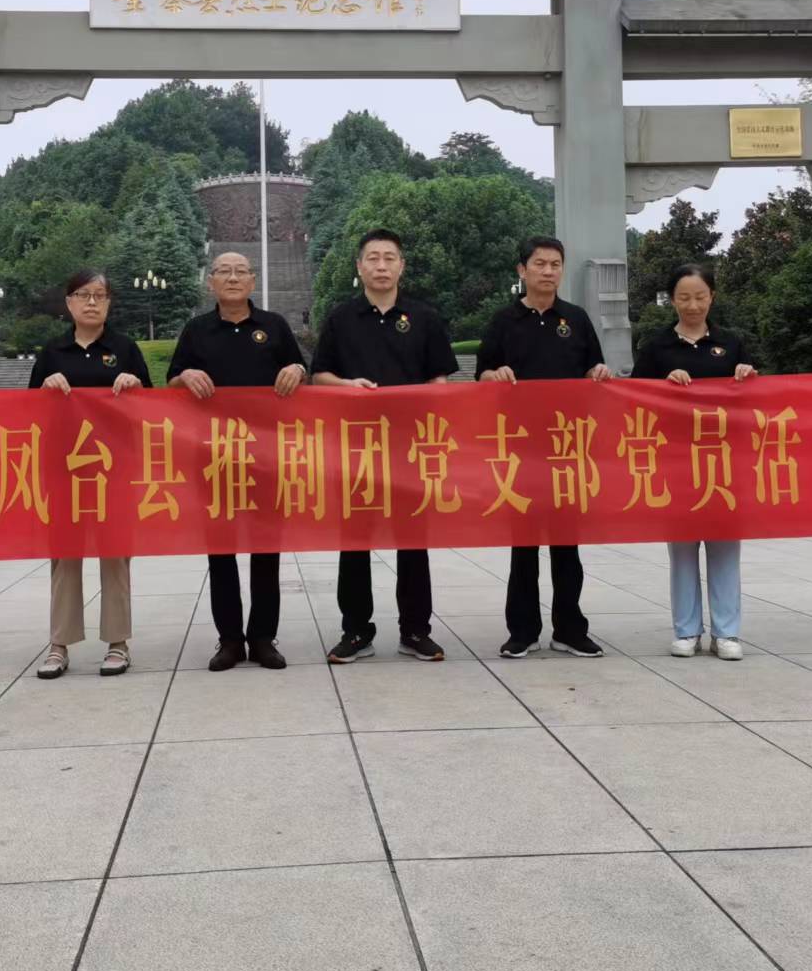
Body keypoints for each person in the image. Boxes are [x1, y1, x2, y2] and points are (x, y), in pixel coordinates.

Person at [311, 228, 458, 664]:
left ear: (401, 266)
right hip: (355, 447)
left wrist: (429, 404)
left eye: (389, 258)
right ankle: (356, 631)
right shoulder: (341, 318)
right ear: (359, 266)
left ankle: (415, 630)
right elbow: (319, 375)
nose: (381, 266)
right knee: (355, 542)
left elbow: (439, 379)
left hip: (410, 448)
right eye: (372, 258)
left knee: (413, 541)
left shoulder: (424, 317)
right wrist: (347, 386)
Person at [168, 252, 308, 672]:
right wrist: (184, 377)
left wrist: (297, 369)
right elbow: (170, 382)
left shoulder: (274, 326)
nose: (232, 278)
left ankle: (263, 638)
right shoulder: (197, 330)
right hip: (214, 457)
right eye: (224, 272)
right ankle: (229, 639)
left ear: (253, 280)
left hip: (266, 457)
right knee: (220, 552)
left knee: (266, 549)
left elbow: (303, 372)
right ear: (210, 281)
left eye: (240, 271)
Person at [475, 236, 613, 658]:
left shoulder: (576, 318)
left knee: (566, 544)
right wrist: (494, 375)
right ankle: (522, 631)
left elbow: (593, 369)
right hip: (520, 448)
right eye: (539, 264)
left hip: (567, 447)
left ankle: (569, 629)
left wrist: (599, 372)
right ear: (522, 270)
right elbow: (481, 375)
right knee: (524, 545)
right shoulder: (504, 321)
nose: (548, 271)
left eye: (555, 264)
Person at [631, 263, 757, 661]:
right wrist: (663, 384)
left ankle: (727, 632)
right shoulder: (656, 347)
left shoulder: (731, 343)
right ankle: (686, 631)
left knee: (724, 550)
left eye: (700, 297)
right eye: (684, 298)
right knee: (683, 552)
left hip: (724, 461)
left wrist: (748, 374)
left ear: (712, 297)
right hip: (678, 462)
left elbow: (755, 399)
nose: (693, 305)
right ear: (672, 300)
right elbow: (635, 397)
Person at [30, 270, 149, 680]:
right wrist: (45, 387)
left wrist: (135, 385)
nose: (92, 302)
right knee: (65, 557)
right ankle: (59, 644)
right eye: (83, 295)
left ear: (110, 302)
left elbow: (152, 408)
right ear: (69, 303)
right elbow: (28, 412)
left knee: (115, 555)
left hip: (114, 470)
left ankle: (118, 643)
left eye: (100, 295)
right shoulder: (52, 352)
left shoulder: (125, 348)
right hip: (64, 470)